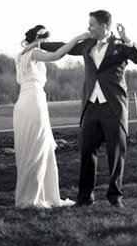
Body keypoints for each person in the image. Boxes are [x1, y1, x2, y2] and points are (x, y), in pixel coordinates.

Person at [41, 10, 137, 207]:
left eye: (91, 24)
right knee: (86, 151)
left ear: (103, 26)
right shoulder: (88, 44)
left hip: (113, 107)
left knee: (116, 154)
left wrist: (128, 40)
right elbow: (63, 47)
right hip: (91, 107)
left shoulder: (121, 46)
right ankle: (84, 198)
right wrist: (38, 45)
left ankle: (115, 198)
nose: (88, 28)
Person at [13, 25, 91, 208]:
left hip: (24, 102)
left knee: (35, 148)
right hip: (33, 102)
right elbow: (56, 55)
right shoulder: (34, 53)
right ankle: (33, 197)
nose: (48, 45)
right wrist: (77, 38)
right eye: (46, 41)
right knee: (37, 148)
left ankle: (42, 194)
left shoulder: (20, 55)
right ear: (40, 39)